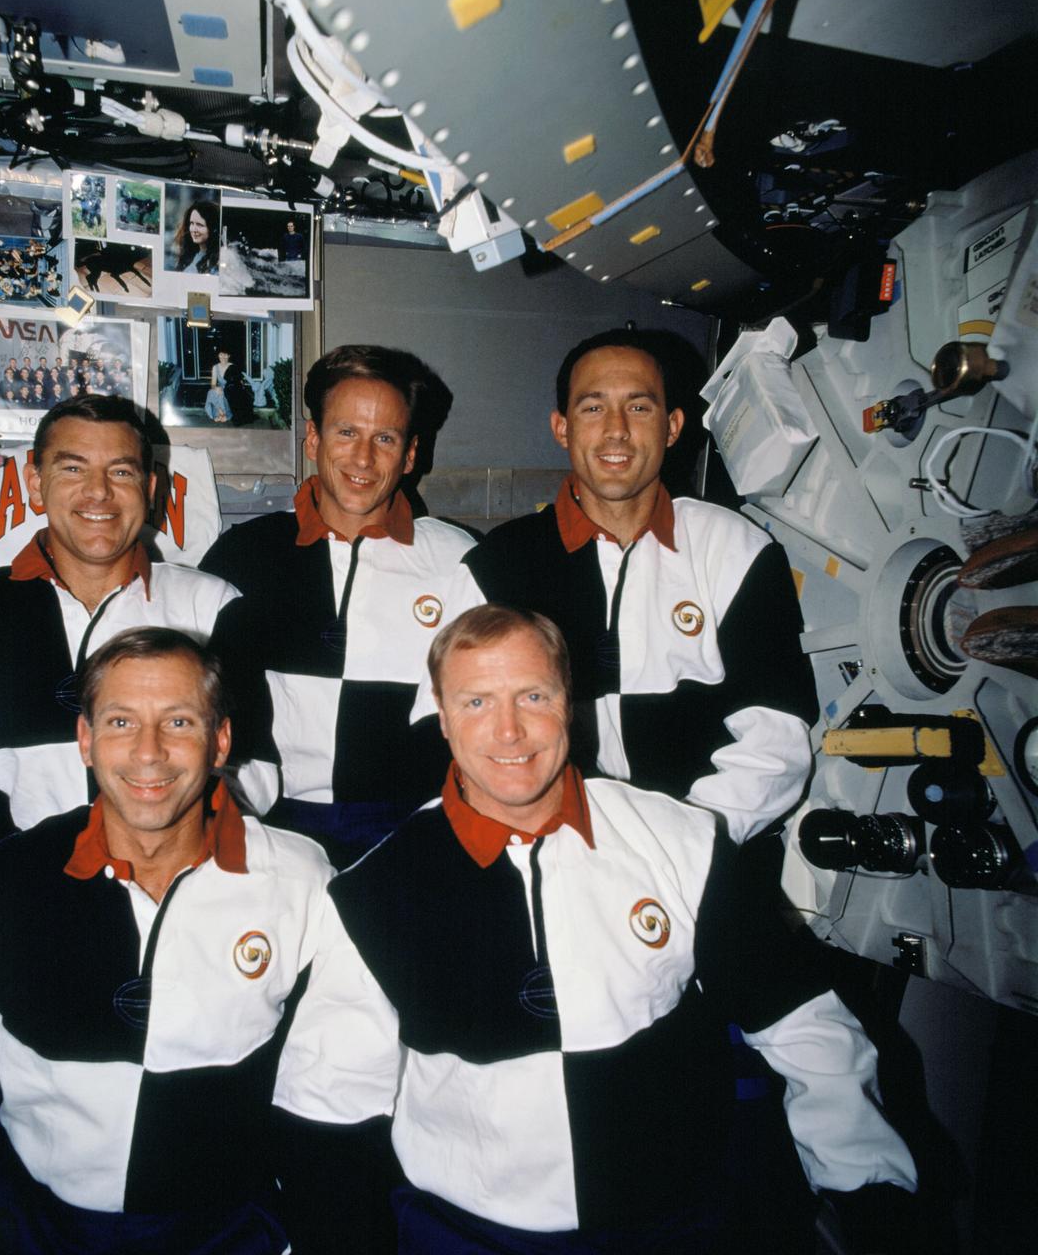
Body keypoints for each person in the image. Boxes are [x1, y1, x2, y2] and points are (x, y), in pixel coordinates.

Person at [273, 605, 918, 1253]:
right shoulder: (374, 893)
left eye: (533, 695)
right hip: (466, 1236)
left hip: (678, 1226)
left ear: (570, 704)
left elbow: (801, 1021)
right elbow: (327, 1110)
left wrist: (870, 1192)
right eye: (476, 702)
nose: (509, 731)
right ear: (441, 718)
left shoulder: (679, 838)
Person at [0, 628, 332, 1255]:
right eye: (122, 721)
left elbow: (333, 1090)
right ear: (85, 740)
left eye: (178, 722)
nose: (148, 753)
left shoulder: (302, 880)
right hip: (39, 1231)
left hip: (233, 1231)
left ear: (221, 742)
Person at [421, 327, 817, 845]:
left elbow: (776, 736)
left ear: (673, 426)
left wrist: (680, 843)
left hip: (705, 851)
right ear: (561, 428)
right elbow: (447, 723)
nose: (616, 431)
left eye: (639, 408)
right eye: (592, 408)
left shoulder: (735, 552)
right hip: (549, 852)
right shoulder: (495, 567)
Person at [0, 396, 238, 891]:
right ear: (36, 486)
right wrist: (24, 888)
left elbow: (246, 765)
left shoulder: (212, 607)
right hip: (21, 889)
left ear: (149, 490)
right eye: (73, 469)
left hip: (184, 886)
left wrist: (169, 864)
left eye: (121, 473)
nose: (98, 493)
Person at [200, 344, 473, 866]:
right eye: (346, 432)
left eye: (385, 438)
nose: (363, 458)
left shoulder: (459, 561)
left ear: (411, 455)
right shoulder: (240, 558)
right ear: (313, 438)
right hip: (270, 826)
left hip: (413, 827)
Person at [173, 199, 221, 275]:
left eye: (200, 225)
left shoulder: (219, 260)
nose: (194, 230)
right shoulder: (188, 256)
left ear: (213, 228)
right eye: (192, 223)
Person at [204, 349, 233, 423]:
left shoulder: (232, 366)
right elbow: (213, 384)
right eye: (221, 354)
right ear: (218, 356)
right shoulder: (215, 367)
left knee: (223, 393)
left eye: (225, 355)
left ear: (229, 356)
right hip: (220, 388)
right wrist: (216, 388)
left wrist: (225, 389)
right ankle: (220, 412)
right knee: (211, 392)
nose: (223, 357)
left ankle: (227, 414)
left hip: (230, 388)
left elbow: (237, 383)